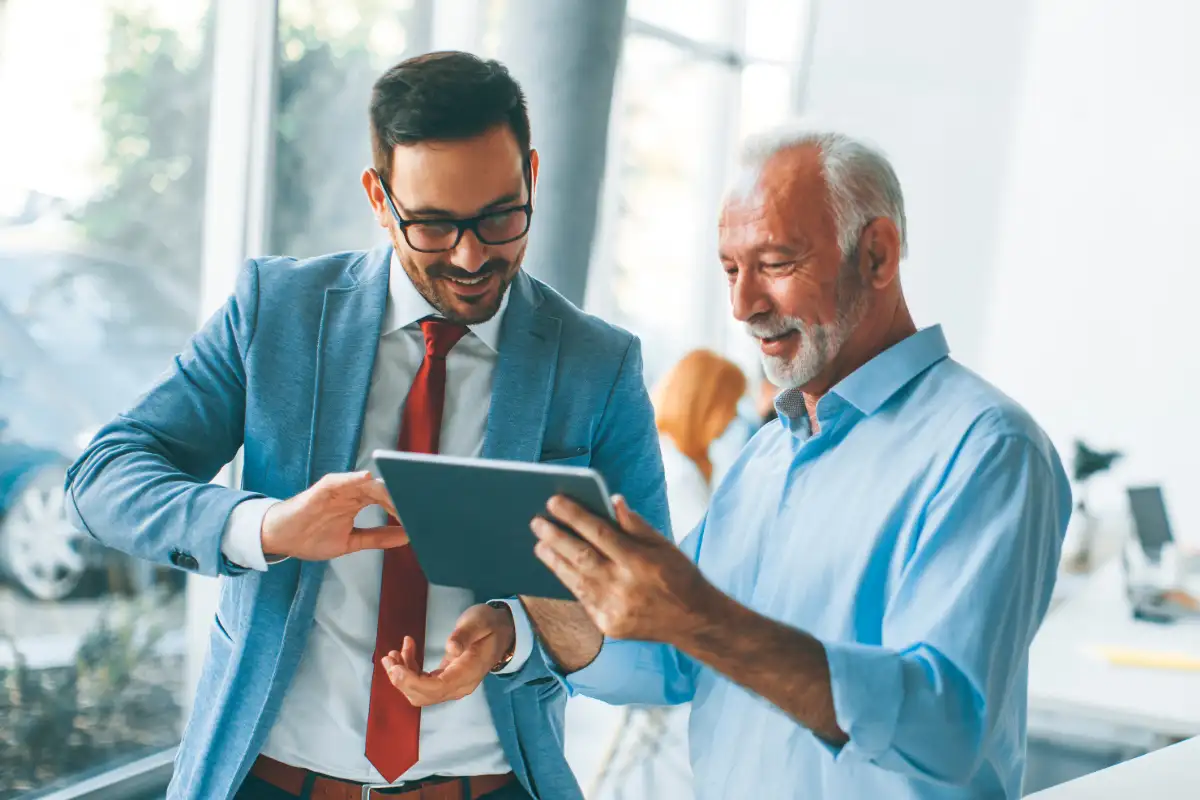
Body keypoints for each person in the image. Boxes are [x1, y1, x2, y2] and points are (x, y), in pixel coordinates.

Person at [388, 127, 1072, 799]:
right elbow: (672, 661)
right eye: (730, 270)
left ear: (878, 255)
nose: (744, 306)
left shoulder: (986, 449)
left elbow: (942, 725)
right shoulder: (768, 454)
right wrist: (527, 611)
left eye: (775, 264)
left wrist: (699, 617)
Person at [64, 51, 668, 800]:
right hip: (268, 782)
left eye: (500, 217)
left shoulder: (597, 365)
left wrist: (515, 634)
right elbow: (104, 477)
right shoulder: (275, 313)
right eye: (434, 227)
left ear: (532, 178)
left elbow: (651, 628)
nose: (473, 256)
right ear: (379, 200)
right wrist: (268, 526)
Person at [575, 350, 745, 799]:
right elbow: (692, 566)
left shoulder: (690, 464)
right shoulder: (675, 472)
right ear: (706, 405)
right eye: (729, 408)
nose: (733, 421)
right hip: (658, 640)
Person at [653, 350, 747, 540]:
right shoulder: (675, 472)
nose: (734, 417)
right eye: (732, 405)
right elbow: (711, 548)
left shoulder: (698, 459)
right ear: (708, 406)